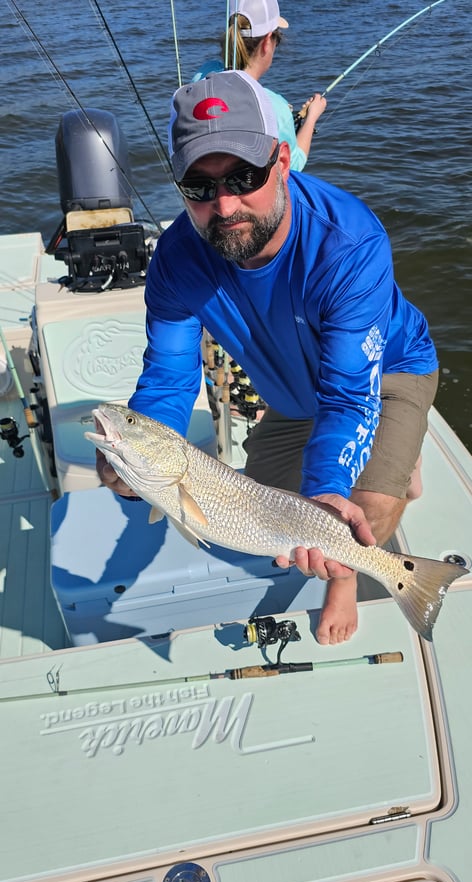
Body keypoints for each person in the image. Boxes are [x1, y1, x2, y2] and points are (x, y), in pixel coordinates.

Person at [97, 70, 439, 646]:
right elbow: (168, 380)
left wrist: (329, 488)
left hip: (385, 372)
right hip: (291, 391)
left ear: (282, 160)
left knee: (361, 510)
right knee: (260, 513)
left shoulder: (348, 242)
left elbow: (350, 395)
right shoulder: (177, 259)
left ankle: (354, 563)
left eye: (243, 176)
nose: (225, 203)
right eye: (199, 188)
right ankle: (396, 460)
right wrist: (134, 451)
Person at [193, 0, 326, 172]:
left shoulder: (203, 73)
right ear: (267, 42)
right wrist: (311, 119)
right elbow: (292, 165)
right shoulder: (274, 106)